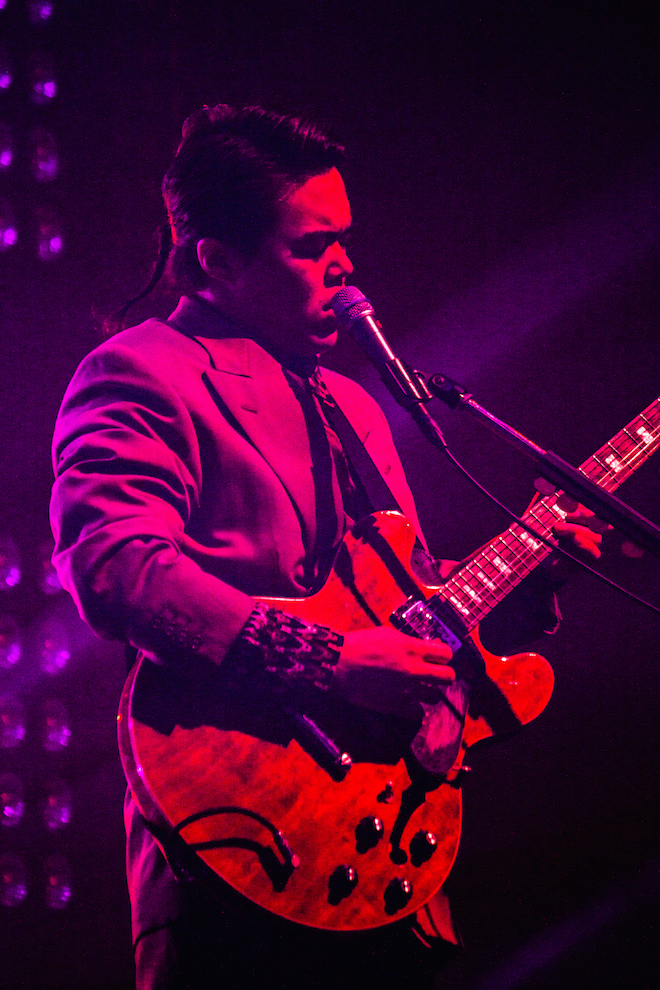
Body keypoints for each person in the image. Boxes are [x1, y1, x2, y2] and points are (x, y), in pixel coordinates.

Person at [50, 104, 601, 990]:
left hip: (387, 859)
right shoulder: (143, 370)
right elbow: (115, 567)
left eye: (344, 238)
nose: (343, 265)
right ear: (217, 261)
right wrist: (328, 662)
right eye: (312, 246)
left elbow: (412, 616)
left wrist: (534, 574)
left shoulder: (356, 404)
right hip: (240, 856)